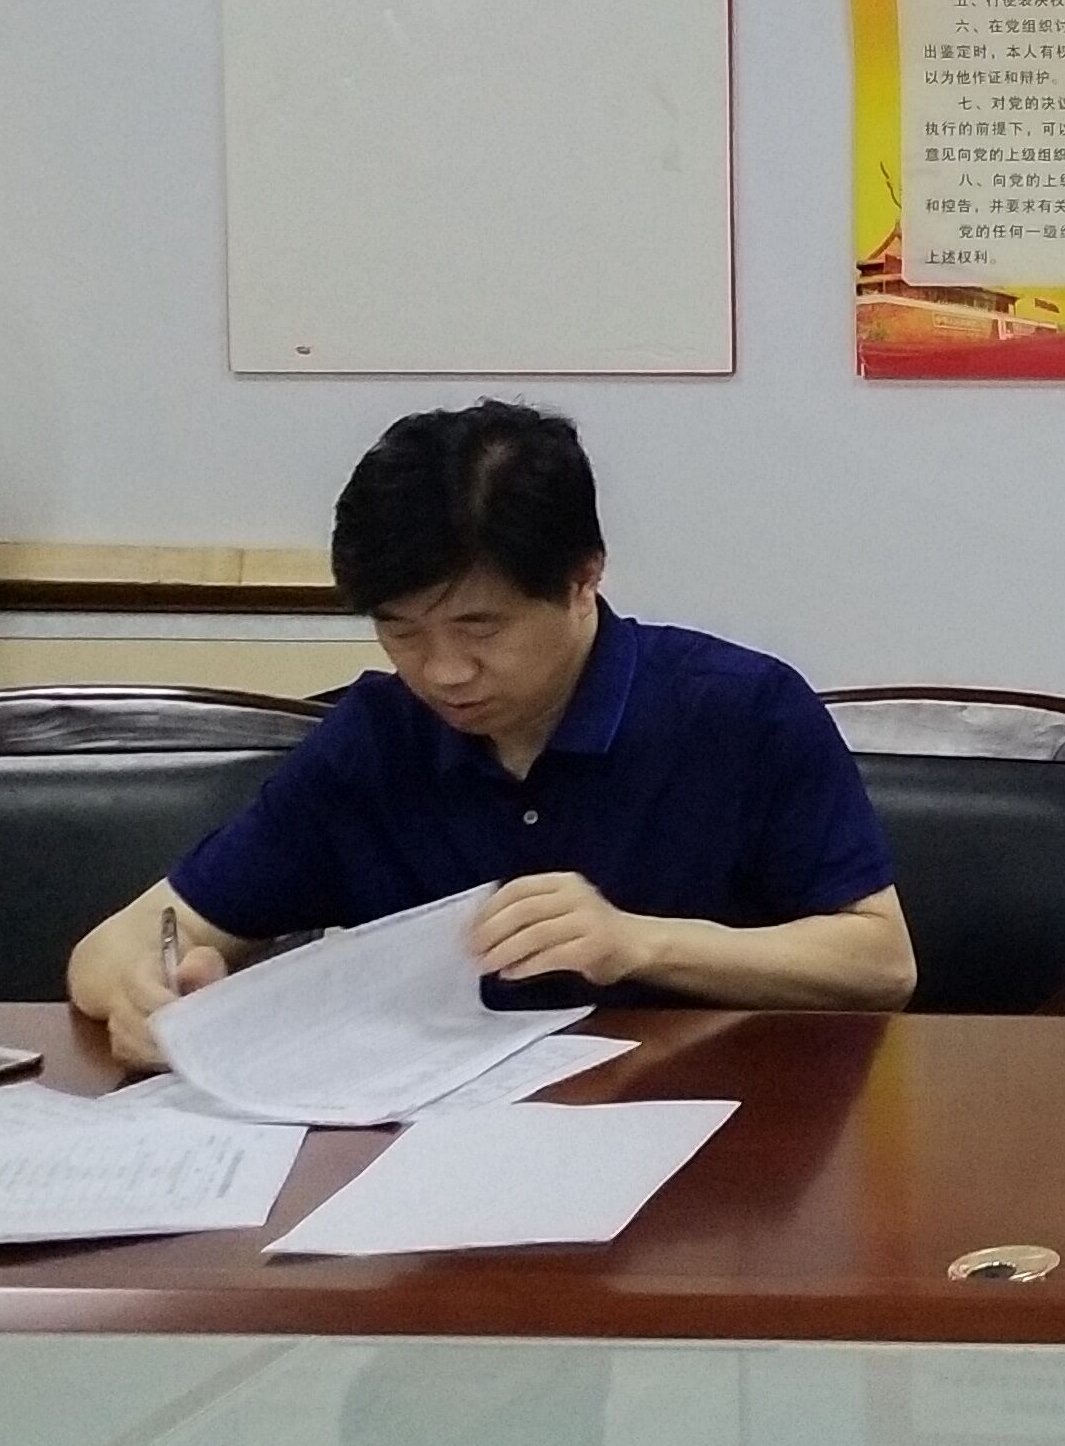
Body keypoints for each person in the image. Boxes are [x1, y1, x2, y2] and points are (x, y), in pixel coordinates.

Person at [66, 402, 913, 1066]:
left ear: (583, 579)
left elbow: (880, 963)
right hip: (423, 1152)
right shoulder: (375, 741)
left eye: (480, 628)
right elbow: (113, 946)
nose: (442, 672)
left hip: (719, 1146)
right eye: (401, 631)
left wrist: (639, 943)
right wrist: (146, 996)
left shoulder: (740, 711)